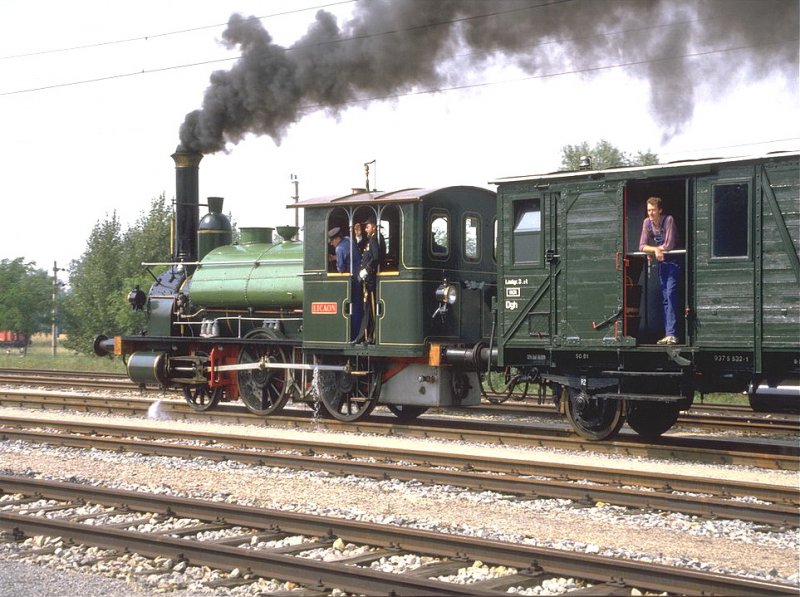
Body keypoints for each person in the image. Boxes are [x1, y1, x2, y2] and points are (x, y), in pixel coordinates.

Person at [639, 196, 680, 345]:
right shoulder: (647, 223)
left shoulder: (668, 220)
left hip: (674, 262)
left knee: (671, 294)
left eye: (653, 210)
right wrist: (655, 250)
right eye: (648, 210)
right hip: (663, 262)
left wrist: (654, 250)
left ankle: (672, 334)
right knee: (665, 297)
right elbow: (642, 246)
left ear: (660, 210)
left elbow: (669, 245)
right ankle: (668, 334)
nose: (650, 213)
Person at [352, 218, 385, 345]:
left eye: (368, 227)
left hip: (370, 279)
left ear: (374, 227)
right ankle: (366, 336)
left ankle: (371, 337)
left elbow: (376, 257)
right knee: (368, 309)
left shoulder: (375, 239)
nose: (366, 229)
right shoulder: (372, 238)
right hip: (367, 279)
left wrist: (367, 270)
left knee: (371, 308)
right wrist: (358, 236)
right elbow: (365, 250)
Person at [328, 227, 363, 339]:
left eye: (332, 241)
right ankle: (359, 333)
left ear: (337, 238)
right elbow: (349, 256)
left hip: (353, 280)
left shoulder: (339, 249)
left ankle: (354, 336)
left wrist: (336, 261)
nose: (332, 244)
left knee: (352, 308)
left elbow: (341, 269)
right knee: (358, 307)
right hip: (360, 277)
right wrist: (335, 258)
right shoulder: (348, 239)